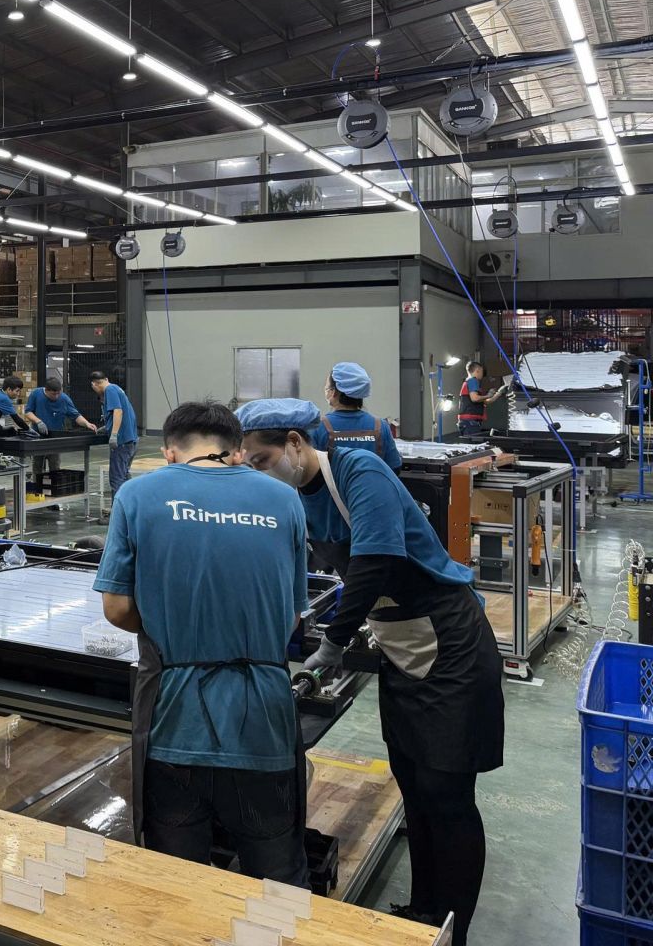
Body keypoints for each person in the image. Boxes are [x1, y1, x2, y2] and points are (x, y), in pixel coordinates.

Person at [237, 398, 503, 946]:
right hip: (402, 646)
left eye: (262, 460)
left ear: (294, 443)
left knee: (446, 794)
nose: (260, 472)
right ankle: (424, 913)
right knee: (414, 785)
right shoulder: (300, 497)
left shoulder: (360, 471)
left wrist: (333, 643)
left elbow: (375, 561)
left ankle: (453, 930)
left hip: (450, 643)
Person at [94, 401, 309, 885]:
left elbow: (117, 609)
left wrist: (174, 628)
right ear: (237, 452)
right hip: (264, 724)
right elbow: (291, 615)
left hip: (175, 723)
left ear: (170, 452)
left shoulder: (137, 495)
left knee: (177, 885)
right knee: (277, 882)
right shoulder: (284, 500)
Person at [311, 361, 402, 471]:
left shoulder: (318, 427)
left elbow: (311, 471)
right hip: (372, 483)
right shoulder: (381, 426)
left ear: (334, 392)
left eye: (327, 387)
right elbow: (395, 467)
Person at [24, 375, 98, 490]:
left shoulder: (64, 399)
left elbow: (76, 415)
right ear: (46, 390)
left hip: (55, 438)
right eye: (53, 394)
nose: (56, 396)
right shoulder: (36, 394)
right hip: (38, 436)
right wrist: (38, 421)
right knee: (37, 466)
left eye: (58, 393)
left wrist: (87, 423)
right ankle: (38, 489)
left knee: (55, 466)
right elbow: (28, 412)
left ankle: (53, 490)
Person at [90, 369, 139, 493]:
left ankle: (118, 506)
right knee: (124, 476)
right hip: (131, 440)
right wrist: (107, 427)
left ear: (94, 384)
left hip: (122, 442)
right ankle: (129, 503)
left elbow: (118, 411)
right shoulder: (117, 389)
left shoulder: (109, 390)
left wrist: (114, 434)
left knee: (116, 479)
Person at [458, 361, 491, 440]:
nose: (482, 374)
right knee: (473, 444)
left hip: (467, 421)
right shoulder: (473, 381)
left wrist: (498, 393)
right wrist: (488, 395)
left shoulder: (467, 382)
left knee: (469, 443)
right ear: (477, 370)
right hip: (470, 421)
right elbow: (475, 398)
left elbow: (485, 401)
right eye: (482, 371)